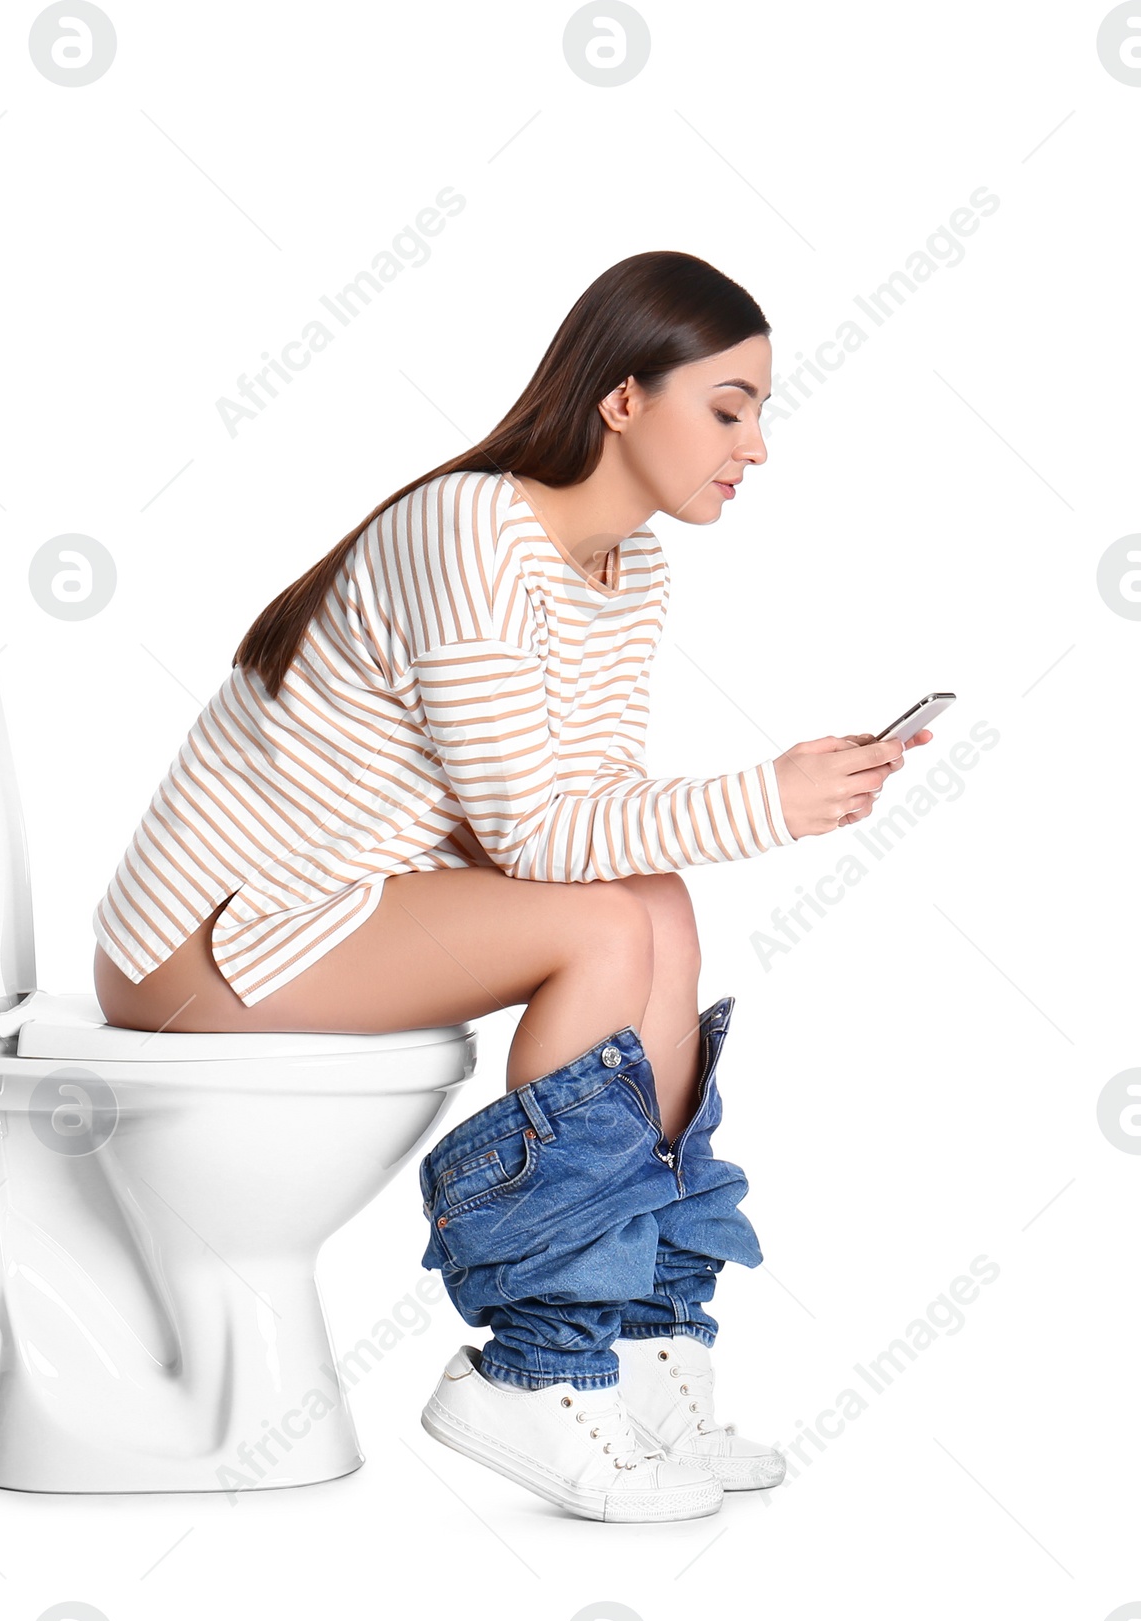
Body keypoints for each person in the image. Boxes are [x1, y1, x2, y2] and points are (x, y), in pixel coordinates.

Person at [92, 250, 930, 1524]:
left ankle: (646, 1349)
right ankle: (535, 1369)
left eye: (760, 412)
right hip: (212, 940)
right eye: (729, 406)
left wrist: (765, 800)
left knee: (650, 899)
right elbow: (537, 835)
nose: (754, 445)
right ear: (622, 401)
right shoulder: (471, 526)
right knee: (600, 921)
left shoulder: (629, 569)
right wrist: (770, 797)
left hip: (352, 899)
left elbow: (583, 815)